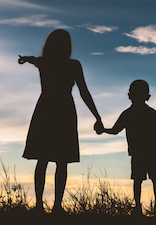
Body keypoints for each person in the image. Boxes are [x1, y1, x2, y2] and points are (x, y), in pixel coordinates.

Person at [18, 29, 104, 214]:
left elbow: (32, 59)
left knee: (44, 159)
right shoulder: (72, 65)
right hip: (63, 110)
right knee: (60, 160)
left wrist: (25, 59)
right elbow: (84, 92)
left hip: (47, 109)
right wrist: (97, 116)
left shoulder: (45, 62)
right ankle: (55, 206)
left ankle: (41, 205)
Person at [101, 79, 156, 217]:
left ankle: (144, 207)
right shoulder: (147, 113)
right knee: (150, 180)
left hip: (143, 153)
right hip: (146, 153)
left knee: (143, 180)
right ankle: (149, 207)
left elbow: (114, 130)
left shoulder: (131, 113)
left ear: (130, 95)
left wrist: (103, 130)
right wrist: (103, 130)